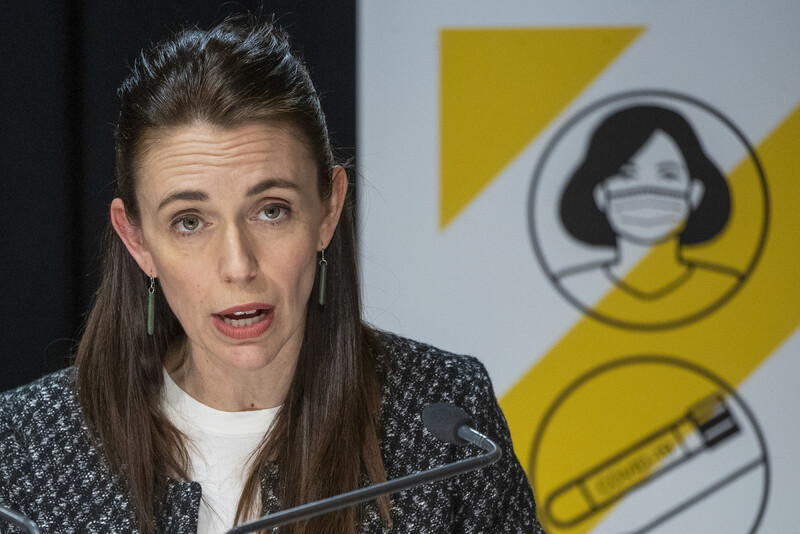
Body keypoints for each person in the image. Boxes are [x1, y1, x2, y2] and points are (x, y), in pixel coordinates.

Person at [0, 18, 544, 534]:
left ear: (328, 210)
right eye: (189, 222)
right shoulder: (26, 445)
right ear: (136, 239)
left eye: (271, 211)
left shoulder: (444, 423)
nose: (238, 266)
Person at [555, 105, 741, 324]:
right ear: (601, 193)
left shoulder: (725, 286)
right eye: (626, 175)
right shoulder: (571, 289)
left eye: (668, 175)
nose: (646, 191)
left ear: (694, 192)